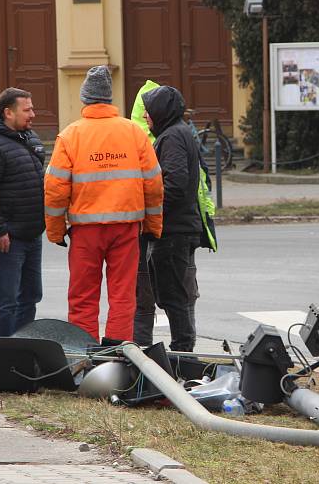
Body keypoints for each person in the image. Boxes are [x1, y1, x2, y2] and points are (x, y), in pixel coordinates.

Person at [44, 65, 163, 344]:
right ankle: (118, 354)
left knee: (83, 296)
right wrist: (152, 226)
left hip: (86, 230)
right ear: (110, 99)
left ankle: (84, 356)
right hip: (126, 228)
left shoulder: (70, 135)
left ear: (85, 98)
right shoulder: (134, 133)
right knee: (123, 296)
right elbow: (154, 185)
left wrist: (55, 230)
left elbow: (54, 189)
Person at [0, 88, 46, 337]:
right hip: (7, 237)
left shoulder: (28, 138)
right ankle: (3, 351)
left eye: (32, 108)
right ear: (8, 112)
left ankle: (22, 347)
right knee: (7, 299)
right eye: (27, 110)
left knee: (31, 295)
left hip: (32, 233)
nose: (33, 114)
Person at [142, 85, 202, 352]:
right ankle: (183, 352)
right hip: (178, 229)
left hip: (173, 231)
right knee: (177, 295)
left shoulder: (172, 137)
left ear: (161, 111)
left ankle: (182, 354)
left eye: (149, 111)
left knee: (174, 297)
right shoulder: (176, 132)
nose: (145, 116)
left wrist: (148, 208)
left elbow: (175, 184)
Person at [130, 80, 161, 346]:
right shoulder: (135, 139)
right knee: (145, 298)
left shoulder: (169, 136)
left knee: (143, 298)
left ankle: (143, 351)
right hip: (147, 228)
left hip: (143, 228)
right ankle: (143, 351)